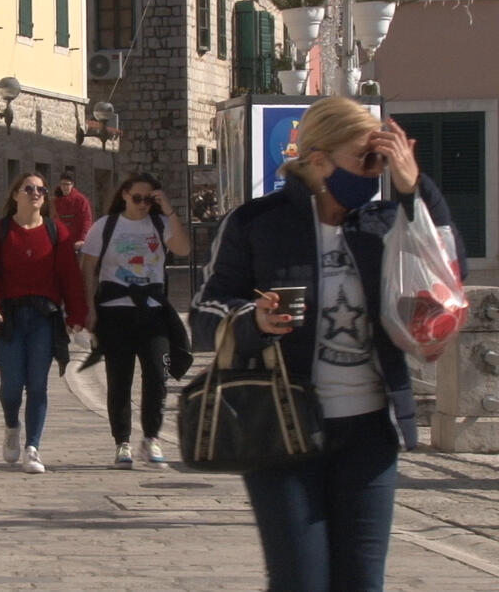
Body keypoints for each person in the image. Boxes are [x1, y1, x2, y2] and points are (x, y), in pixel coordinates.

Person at [188, 96, 467, 591]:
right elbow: (205, 315)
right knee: (301, 581)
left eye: (382, 160)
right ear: (318, 160)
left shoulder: (386, 224)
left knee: (363, 581)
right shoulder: (257, 224)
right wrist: (255, 319)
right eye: (366, 159)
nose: (375, 171)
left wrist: (415, 188)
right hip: (281, 429)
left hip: (370, 432)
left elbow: (450, 270)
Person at [0, 173, 87, 474]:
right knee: (11, 386)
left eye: (41, 190)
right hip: (10, 319)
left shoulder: (56, 232)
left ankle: (32, 448)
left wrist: (76, 316)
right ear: (15, 195)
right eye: (29, 188)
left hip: (43, 320)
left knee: (37, 384)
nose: (36, 193)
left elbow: (70, 278)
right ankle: (12, 425)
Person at [79, 172, 190, 469]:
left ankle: (151, 437)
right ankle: (122, 441)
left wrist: (169, 210)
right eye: (138, 198)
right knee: (119, 377)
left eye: (149, 200)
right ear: (125, 195)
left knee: (157, 373)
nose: (143, 205)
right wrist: (88, 308)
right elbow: (87, 269)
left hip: (152, 309)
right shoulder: (106, 226)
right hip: (115, 310)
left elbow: (183, 249)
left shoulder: (161, 224)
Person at [53, 171, 94, 252]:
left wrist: (82, 239)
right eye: (62, 184)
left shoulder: (81, 200)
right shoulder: (56, 201)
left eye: (67, 184)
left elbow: (87, 220)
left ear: (72, 184)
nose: (65, 187)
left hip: (76, 244)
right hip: (61, 242)